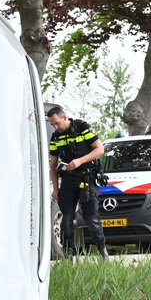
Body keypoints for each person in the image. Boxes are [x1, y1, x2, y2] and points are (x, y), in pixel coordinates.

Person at [46, 104, 108, 258]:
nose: (55, 127)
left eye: (57, 123)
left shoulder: (82, 127)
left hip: (88, 177)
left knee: (91, 216)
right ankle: (69, 254)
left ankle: (103, 252)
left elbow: (100, 149)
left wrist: (80, 160)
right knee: (66, 218)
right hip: (68, 178)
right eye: (52, 124)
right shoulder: (56, 137)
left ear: (64, 117)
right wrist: (55, 189)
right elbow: (53, 165)